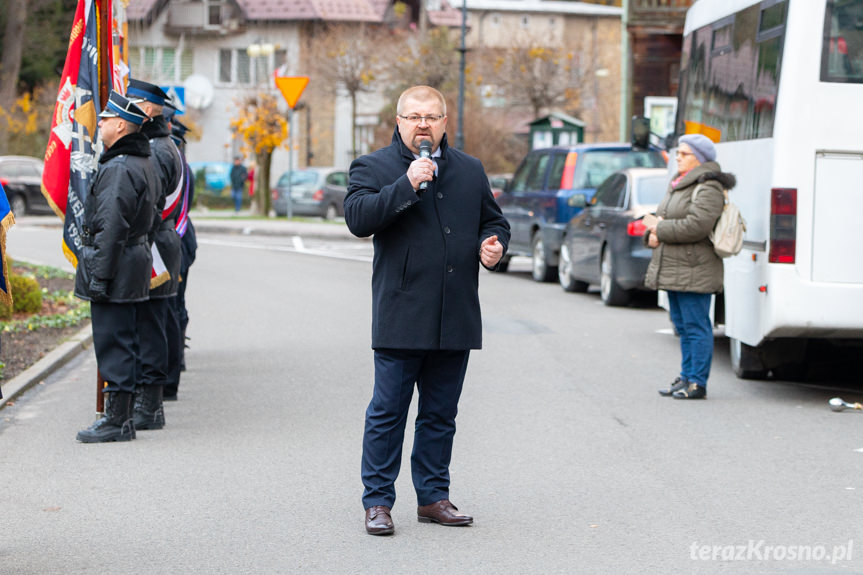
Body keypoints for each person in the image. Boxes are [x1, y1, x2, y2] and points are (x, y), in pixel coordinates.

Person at [344, 85, 510, 536]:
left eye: (431, 117)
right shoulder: (373, 167)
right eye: (414, 116)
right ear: (398, 122)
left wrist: (494, 246)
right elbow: (358, 218)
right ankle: (377, 501)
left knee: (441, 414)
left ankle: (433, 497)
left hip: (455, 313)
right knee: (388, 412)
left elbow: (493, 221)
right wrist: (407, 183)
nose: (423, 124)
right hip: (402, 313)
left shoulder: (471, 170)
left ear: (443, 122)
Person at [75, 91, 158, 443]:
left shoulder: (121, 167)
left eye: (107, 119)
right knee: (125, 339)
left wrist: (100, 277)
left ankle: (116, 421)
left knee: (114, 342)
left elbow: (110, 228)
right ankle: (121, 417)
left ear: (121, 125)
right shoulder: (140, 161)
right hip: (133, 261)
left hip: (118, 266)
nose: (102, 123)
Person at [645, 134, 736, 400]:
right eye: (678, 153)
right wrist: (651, 230)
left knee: (696, 326)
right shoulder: (680, 185)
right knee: (683, 326)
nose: (678, 157)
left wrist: (659, 229)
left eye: (684, 154)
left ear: (700, 158)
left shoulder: (708, 187)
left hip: (695, 267)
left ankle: (697, 382)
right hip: (676, 265)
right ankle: (685, 377)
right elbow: (662, 217)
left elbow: (697, 225)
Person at [126, 78, 184, 428]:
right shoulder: (159, 142)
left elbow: (151, 203)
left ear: (147, 109)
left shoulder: (159, 149)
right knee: (151, 323)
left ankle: (149, 406)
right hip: (156, 241)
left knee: (150, 326)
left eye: (132, 102)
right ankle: (150, 404)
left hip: (156, 245)